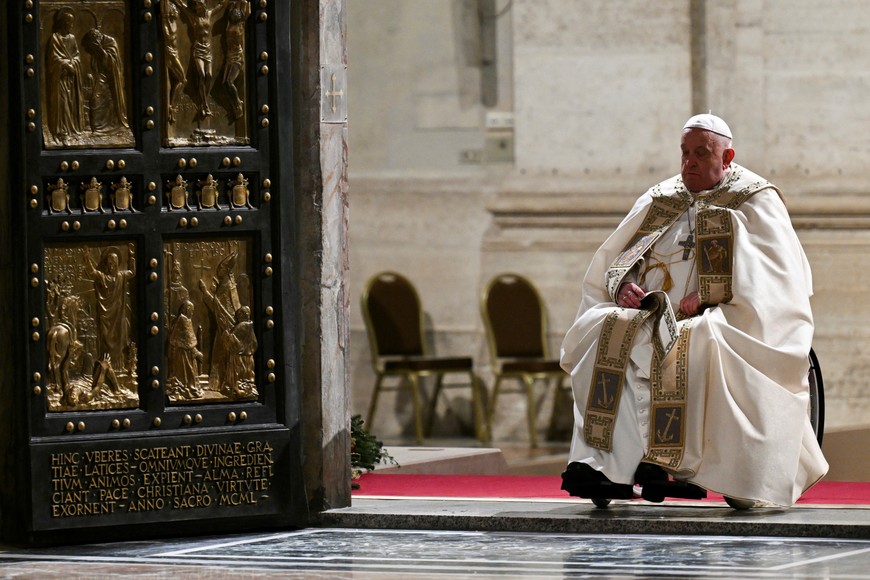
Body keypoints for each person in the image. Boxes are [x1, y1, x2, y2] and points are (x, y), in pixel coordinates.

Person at [559, 114, 828, 507]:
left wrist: (710, 295)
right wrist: (624, 287)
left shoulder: (755, 199)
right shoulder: (662, 197)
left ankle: (669, 463)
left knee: (693, 339)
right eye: (684, 153)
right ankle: (603, 466)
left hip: (724, 317)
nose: (688, 163)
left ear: (727, 156)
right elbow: (617, 259)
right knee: (602, 326)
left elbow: (778, 279)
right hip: (648, 313)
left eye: (701, 154)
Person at [45, 8, 85, 145]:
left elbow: (77, 56)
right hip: (59, 78)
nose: (71, 25)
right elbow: (52, 59)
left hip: (71, 78)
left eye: (72, 23)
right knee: (62, 103)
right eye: (69, 23)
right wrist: (64, 64)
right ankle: (62, 133)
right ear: (63, 23)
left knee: (70, 103)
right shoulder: (55, 39)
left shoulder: (72, 38)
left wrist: (73, 63)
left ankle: (71, 131)